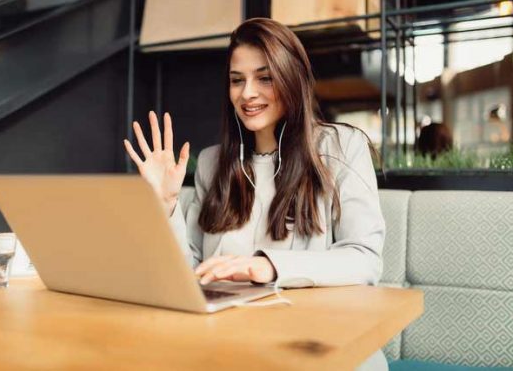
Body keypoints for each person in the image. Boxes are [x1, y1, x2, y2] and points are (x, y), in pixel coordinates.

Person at [124, 18, 387, 371]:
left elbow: (364, 259)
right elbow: (192, 276)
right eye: (237, 80)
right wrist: (166, 207)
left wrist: (267, 265)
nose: (247, 93)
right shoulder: (212, 163)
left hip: (321, 348)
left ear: (292, 78)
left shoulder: (340, 146)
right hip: (233, 348)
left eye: (265, 77)